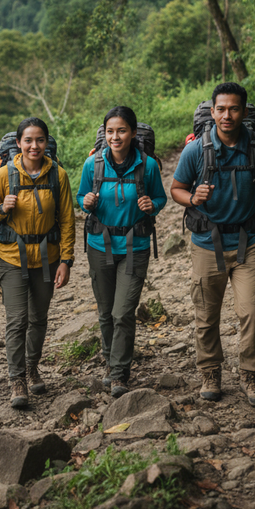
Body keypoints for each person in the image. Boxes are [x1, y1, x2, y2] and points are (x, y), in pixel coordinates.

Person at [170, 82, 255, 407]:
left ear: (244, 112)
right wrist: (192, 197)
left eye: (234, 109)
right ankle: (210, 371)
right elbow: (176, 188)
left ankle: (250, 374)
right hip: (206, 243)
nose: (227, 115)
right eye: (221, 109)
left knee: (252, 311)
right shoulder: (196, 151)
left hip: (249, 242)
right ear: (213, 111)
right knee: (206, 314)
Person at [0, 117, 76, 408]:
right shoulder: (5, 174)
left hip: (47, 260)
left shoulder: (57, 176)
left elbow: (67, 219)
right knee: (17, 320)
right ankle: (17, 379)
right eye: (28, 140)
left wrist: (66, 260)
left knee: (39, 319)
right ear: (19, 143)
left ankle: (32, 365)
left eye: (40, 140)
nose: (34, 146)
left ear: (47, 142)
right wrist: (1, 208)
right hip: (12, 257)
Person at [77, 106, 167, 398]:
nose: (115, 137)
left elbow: (160, 197)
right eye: (110, 131)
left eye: (122, 131)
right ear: (104, 134)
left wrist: (152, 205)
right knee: (105, 312)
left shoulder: (147, 165)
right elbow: (80, 197)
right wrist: (86, 201)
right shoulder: (93, 164)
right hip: (99, 244)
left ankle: (119, 373)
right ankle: (110, 360)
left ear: (132, 133)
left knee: (123, 312)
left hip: (134, 246)